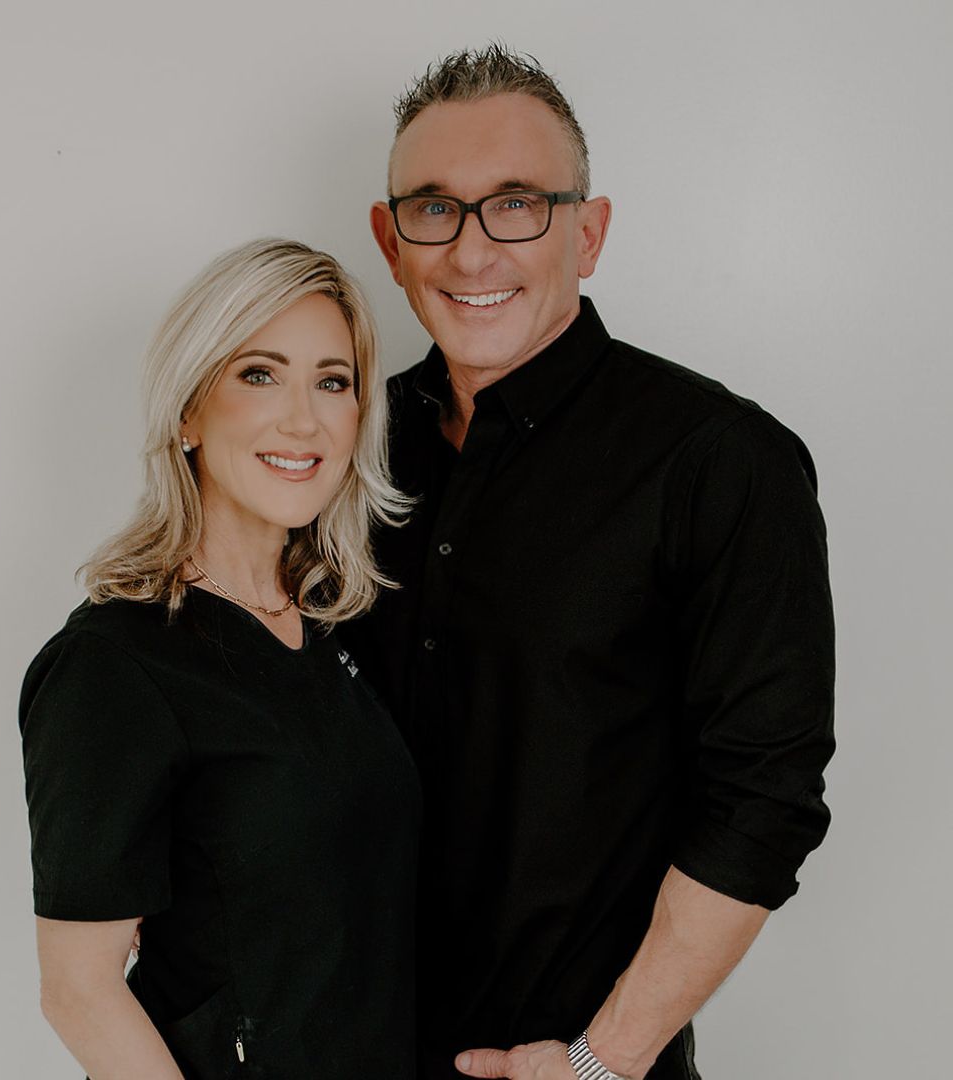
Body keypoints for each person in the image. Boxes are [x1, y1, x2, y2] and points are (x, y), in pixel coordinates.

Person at [347, 45, 836, 1080]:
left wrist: (600, 1060)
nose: (472, 251)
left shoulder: (719, 461)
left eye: (517, 205)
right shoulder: (339, 450)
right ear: (390, 242)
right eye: (434, 209)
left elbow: (762, 802)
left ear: (590, 232)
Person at [19, 238, 420, 1080]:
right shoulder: (114, 664)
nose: (303, 420)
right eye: (259, 374)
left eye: (333, 382)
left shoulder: (329, 631)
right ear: (188, 413)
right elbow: (79, 991)